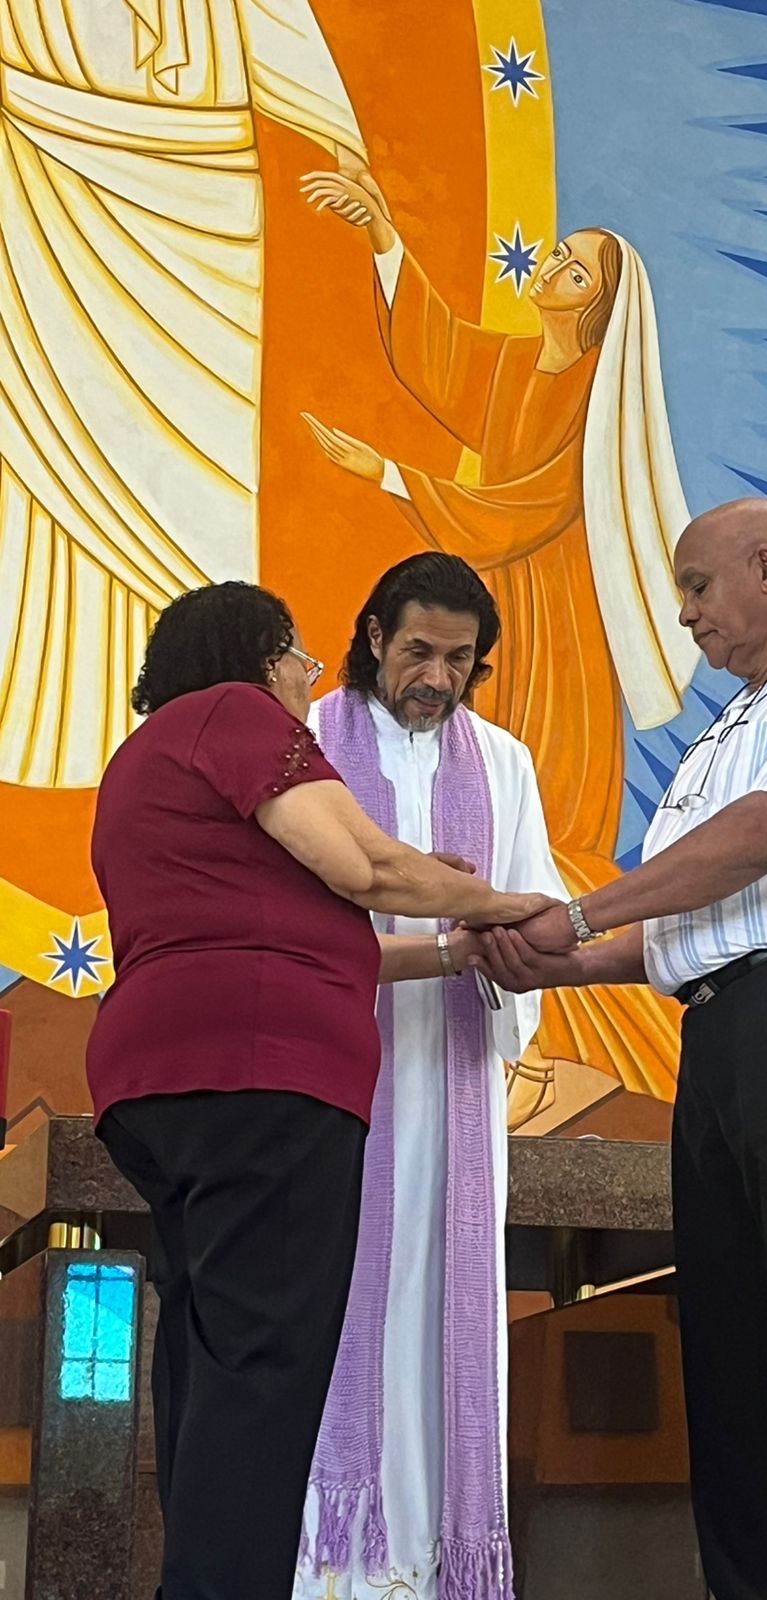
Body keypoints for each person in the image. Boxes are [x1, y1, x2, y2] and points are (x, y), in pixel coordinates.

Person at [476, 498, 767, 1600]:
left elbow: (762, 839)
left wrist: (574, 914)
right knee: (729, 1334)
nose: (685, 615)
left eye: (697, 586)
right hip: (719, 1028)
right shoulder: (720, 736)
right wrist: (551, 962)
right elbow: (687, 923)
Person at [88, 580, 552, 1600]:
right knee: (267, 1366)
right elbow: (365, 866)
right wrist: (507, 902)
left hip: (161, 1086)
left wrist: (452, 948)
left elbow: (321, 942)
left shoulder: (147, 760)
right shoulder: (237, 713)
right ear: (255, 657)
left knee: (209, 1354)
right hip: (263, 1080)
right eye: (295, 652)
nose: (308, 674)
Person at [296, 164, 698, 1106]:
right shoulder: (520, 367)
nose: (552, 268)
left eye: (574, 269)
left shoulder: (596, 394)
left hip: (554, 628)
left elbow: (529, 507)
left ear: (597, 309)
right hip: (490, 594)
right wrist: (385, 235)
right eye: (557, 254)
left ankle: (536, 1047)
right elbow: (439, 357)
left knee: (534, 816)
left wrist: (392, 475)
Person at [0, 0, 369, 788]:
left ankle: (207, 708)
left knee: (198, 489)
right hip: (44, 154)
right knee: (39, 440)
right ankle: (49, 717)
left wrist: (343, 141)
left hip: (197, 188)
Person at [293, 554, 563, 1600]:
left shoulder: (503, 763)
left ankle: (434, 1568)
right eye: (418, 651)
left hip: (452, 1086)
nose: (437, 678)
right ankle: (332, 1572)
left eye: (459, 659)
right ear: (373, 636)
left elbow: (530, 906)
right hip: (334, 1084)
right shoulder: (310, 742)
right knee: (337, 1309)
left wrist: (510, 949)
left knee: (443, 1313)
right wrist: (455, 929)